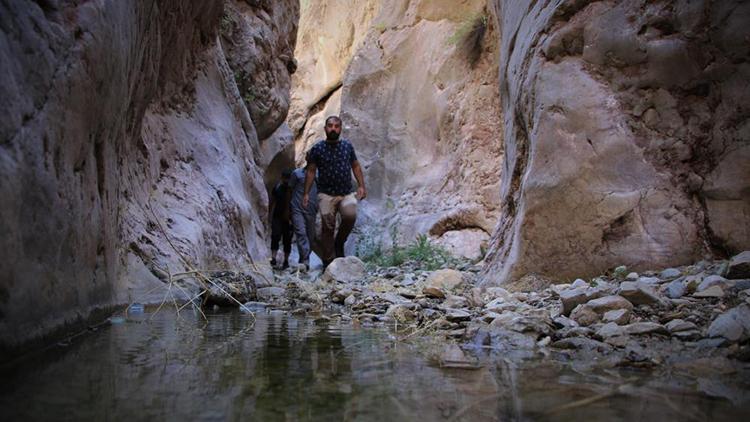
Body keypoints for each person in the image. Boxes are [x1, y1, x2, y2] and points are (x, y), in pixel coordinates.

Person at [303, 115, 366, 268]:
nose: (333, 128)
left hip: (346, 192)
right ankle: (328, 261)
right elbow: (311, 171)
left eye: (336, 126)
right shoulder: (317, 149)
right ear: (325, 128)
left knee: (350, 216)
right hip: (326, 194)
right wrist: (306, 193)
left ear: (340, 129)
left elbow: (356, 166)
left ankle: (340, 242)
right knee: (327, 227)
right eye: (330, 126)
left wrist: (361, 186)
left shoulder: (347, 146)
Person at [288, 155, 318, 270]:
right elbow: (289, 190)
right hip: (297, 208)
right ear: (306, 158)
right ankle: (305, 261)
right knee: (301, 233)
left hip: (311, 210)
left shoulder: (318, 175)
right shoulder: (296, 174)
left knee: (310, 236)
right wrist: (288, 208)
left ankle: (304, 259)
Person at [269, 169, 293, 269]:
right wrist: (269, 214)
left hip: (288, 218)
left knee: (286, 239)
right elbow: (272, 201)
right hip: (278, 216)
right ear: (282, 178)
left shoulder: (292, 189)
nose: (286, 181)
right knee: (276, 236)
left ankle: (286, 260)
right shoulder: (277, 188)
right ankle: (274, 258)